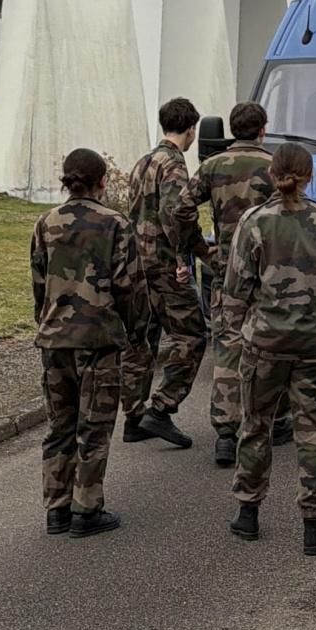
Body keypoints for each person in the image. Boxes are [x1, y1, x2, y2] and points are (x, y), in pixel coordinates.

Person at [224, 141, 316, 554]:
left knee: (255, 425)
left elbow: (236, 289)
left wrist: (237, 329)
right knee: (313, 433)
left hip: (265, 342)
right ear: (310, 175)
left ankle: (248, 513)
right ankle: (313, 525)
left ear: (272, 173)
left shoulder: (254, 222)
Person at [30, 148, 148, 537]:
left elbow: (39, 280)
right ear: (103, 182)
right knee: (93, 428)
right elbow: (129, 285)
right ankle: (87, 508)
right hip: (98, 339)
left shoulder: (45, 223)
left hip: (55, 339)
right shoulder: (115, 224)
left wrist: (45, 320)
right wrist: (136, 332)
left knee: (59, 425)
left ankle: (56, 508)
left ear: (67, 180)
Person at [190, 101, 290, 468]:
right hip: (267, 271)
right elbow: (291, 215)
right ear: (263, 129)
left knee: (229, 347)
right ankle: (274, 419)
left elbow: (180, 210)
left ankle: (226, 432)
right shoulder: (273, 167)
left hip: (227, 271)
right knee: (272, 343)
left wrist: (202, 250)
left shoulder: (212, 166)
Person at [121, 96, 211, 449]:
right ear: (191, 130)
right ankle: (161, 408)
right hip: (162, 264)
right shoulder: (174, 165)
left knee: (141, 341)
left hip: (136, 263)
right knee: (192, 335)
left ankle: (132, 417)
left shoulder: (142, 163)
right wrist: (189, 255)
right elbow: (177, 215)